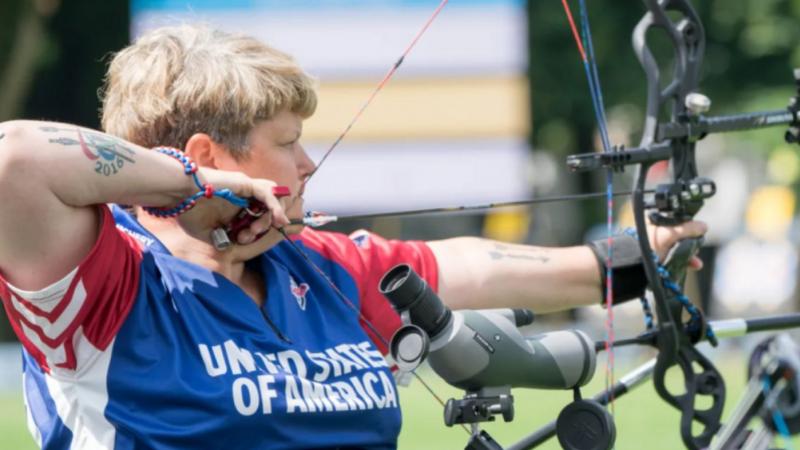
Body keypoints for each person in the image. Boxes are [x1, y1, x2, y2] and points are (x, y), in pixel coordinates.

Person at [0, 25, 706, 449]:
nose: (308, 165)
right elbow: (14, 159)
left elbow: (475, 268)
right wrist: (189, 182)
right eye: (288, 143)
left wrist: (645, 248)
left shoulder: (320, 268)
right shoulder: (108, 286)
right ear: (212, 154)